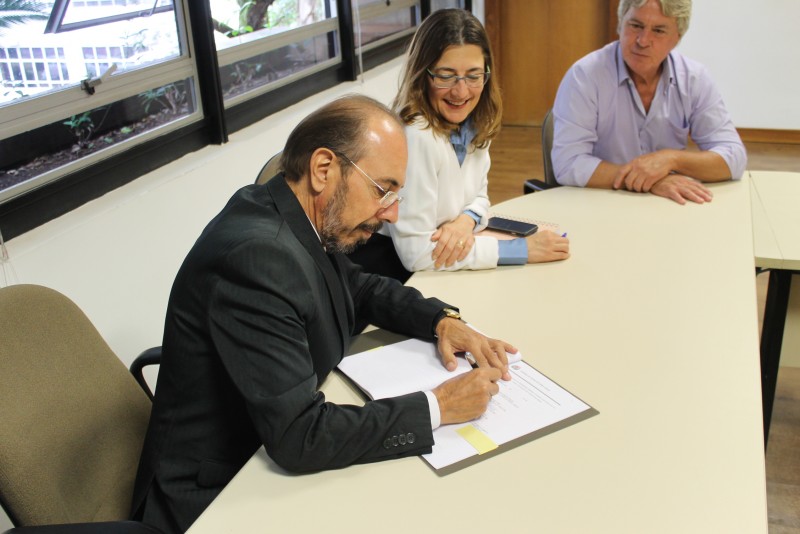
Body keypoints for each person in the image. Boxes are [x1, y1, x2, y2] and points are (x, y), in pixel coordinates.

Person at [130, 94, 518, 534]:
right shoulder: (257, 258)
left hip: (263, 452)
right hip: (217, 493)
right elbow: (299, 436)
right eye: (383, 190)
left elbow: (359, 286)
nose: (392, 213)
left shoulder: (294, 212)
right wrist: (439, 406)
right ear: (323, 169)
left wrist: (440, 321)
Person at [348, 9, 569, 278]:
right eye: (446, 75)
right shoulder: (416, 136)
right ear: (423, 74)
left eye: (473, 76)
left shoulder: (474, 122)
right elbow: (417, 254)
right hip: (395, 273)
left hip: (445, 261)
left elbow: (480, 196)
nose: (461, 91)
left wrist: (465, 222)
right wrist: (521, 250)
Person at [551, 0, 747, 205]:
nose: (643, 41)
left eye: (659, 31)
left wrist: (671, 159)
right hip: (600, 200)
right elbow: (568, 163)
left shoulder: (694, 78)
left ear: (678, 37)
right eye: (636, 26)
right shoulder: (585, 76)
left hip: (667, 205)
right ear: (620, 24)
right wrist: (649, 180)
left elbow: (734, 158)